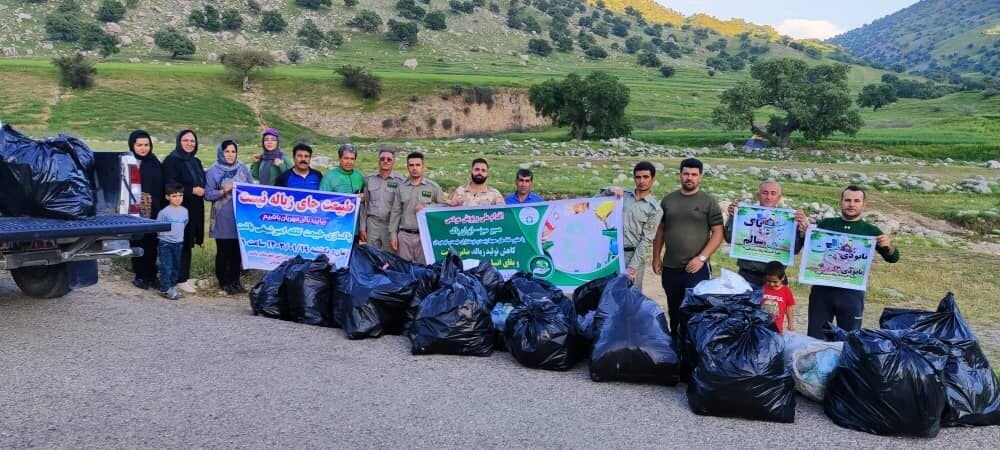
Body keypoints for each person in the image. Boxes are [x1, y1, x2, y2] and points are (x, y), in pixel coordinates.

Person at [806, 185, 899, 338]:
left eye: (856, 201)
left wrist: (888, 246)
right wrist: (804, 231)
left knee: (849, 340)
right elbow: (811, 246)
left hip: (852, 294)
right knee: (815, 338)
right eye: (847, 200)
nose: (851, 204)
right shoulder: (826, 225)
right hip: (822, 292)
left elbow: (893, 258)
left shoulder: (871, 231)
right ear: (840, 202)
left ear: (864, 205)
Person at [652, 158, 724, 337]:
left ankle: (692, 351)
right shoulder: (668, 200)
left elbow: (718, 233)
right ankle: (675, 348)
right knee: (674, 310)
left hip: (696, 268)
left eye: (693, 174)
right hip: (670, 267)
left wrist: (702, 258)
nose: (689, 177)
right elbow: (660, 231)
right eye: (686, 174)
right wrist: (656, 257)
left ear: (700, 177)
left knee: (694, 311)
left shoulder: (709, 202)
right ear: (680, 175)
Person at [723, 180, 809, 288]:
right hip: (748, 276)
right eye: (765, 193)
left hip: (776, 280)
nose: (768, 197)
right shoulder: (745, 214)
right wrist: (733, 217)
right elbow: (729, 238)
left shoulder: (789, 220)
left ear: (779, 197)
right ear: (758, 196)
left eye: (773, 193)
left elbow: (795, 249)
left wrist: (802, 228)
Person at [600, 161, 662, 293]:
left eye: (646, 177)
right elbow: (594, 202)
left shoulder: (654, 209)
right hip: (610, 253)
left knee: (630, 297)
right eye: (638, 177)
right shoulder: (622, 196)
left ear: (653, 179)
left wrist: (632, 268)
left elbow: (646, 240)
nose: (641, 181)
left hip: (632, 256)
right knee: (604, 293)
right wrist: (609, 190)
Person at [205, 139, 254, 296]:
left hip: (240, 216)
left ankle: (235, 281)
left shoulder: (243, 168)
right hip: (222, 216)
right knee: (224, 250)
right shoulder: (213, 171)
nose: (230, 155)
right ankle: (224, 282)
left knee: (237, 251)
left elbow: (251, 187)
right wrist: (223, 191)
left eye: (233, 151)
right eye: (227, 151)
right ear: (221, 152)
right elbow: (208, 194)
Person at [162, 129, 206, 294]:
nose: (189, 143)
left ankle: (184, 276)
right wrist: (192, 190)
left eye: (192, 141)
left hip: (194, 208)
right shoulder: (172, 161)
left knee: (188, 242)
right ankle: (178, 279)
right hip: (178, 208)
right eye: (186, 140)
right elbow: (170, 184)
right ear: (179, 142)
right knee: (179, 242)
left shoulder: (195, 161)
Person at [390, 152, 446, 264]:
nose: (414, 168)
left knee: (424, 271)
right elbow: (396, 212)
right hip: (404, 236)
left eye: (417, 165)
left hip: (425, 236)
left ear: (423, 167)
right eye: (411, 165)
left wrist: (427, 206)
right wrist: (393, 235)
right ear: (407, 167)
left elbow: (442, 208)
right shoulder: (401, 187)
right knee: (404, 270)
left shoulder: (433, 187)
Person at [127, 130, 164, 291]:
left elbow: (161, 186)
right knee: (137, 241)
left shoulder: (154, 162)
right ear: (132, 145)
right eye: (139, 145)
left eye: (146, 145)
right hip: (134, 210)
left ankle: (152, 275)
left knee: (152, 243)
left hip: (154, 209)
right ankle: (140, 276)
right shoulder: (128, 161)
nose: (143, 148)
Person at [361, 145, 405, 252]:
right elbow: (364, 205)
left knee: (390, 257)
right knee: (371, 255)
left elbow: (402, 207)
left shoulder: (400, 181)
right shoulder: (369, 179)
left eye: (389, 159)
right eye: (382, 159)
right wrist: (362, 227)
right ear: (378, 161)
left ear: (393, 161)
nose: (385, 161)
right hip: (372, 224)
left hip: (390, 225)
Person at [156, 183, 188, 301]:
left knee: (176, 266)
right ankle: (165, 289)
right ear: (167, 197)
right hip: (166, 243)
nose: (178, 198)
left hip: (178, 243)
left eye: (180, 195)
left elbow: (184, 223)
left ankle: (172, 287)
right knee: (166, 267)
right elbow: (158, 227)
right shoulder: (164, 212)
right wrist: (164, 239)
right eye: (174, 196)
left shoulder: (184, 211)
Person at [761, 261, 796, 333]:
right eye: (768, 281)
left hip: (776, 329)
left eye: (775, 282)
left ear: (782, 278)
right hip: (761, 327)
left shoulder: (786, 291)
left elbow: (789, 307)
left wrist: (790, 323)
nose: (771, 284)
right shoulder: (762, 289)